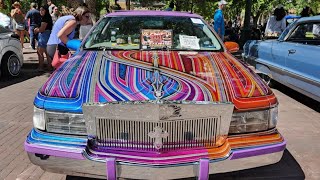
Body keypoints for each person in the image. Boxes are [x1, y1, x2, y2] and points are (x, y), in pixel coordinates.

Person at [34, 5, 53, 71]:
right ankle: (49, 66)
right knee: (46, 52)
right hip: (46, 35)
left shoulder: (45, 18)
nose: (41, 11)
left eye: (42, 10)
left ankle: (41, 67)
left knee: (40, 52)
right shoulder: (46, 17)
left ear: (46, 10)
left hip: (44, 35)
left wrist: (37, 30)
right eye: (40, 10)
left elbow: (42, 29)